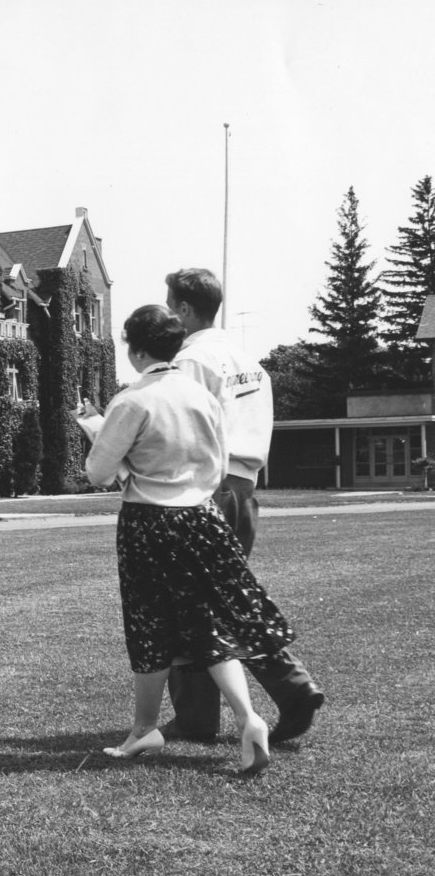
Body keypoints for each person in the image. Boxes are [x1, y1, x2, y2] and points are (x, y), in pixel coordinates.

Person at [78, 304, 296, 775]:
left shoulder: (134, 399)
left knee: (149, 626)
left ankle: (143, 729)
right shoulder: (203, 397)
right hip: (203, 518)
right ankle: (248, 717)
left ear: (134, 349)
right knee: (207, 626)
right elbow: (218, 467)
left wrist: (109, 447)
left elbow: (97, 472)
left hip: (151, 522)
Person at [163, 268, 325, 745]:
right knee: (219, 599)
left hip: (206, 486)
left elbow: (182, 431)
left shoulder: (191, 360)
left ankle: (286, 689)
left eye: (171, 306)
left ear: (186, 309)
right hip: (242, 488)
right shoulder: (247, 361)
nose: (170, 316)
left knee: (192, 602)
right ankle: (204, 714)